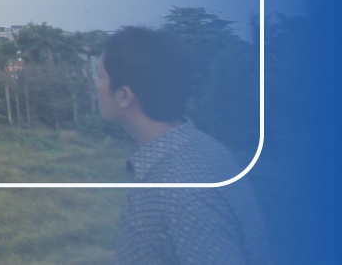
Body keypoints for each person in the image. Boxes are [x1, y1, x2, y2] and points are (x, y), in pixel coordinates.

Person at [97, 26, 271, 264]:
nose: (96, 85)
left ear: (124, 96)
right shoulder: (196, 151)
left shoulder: (180, 189)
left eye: (100, 76)